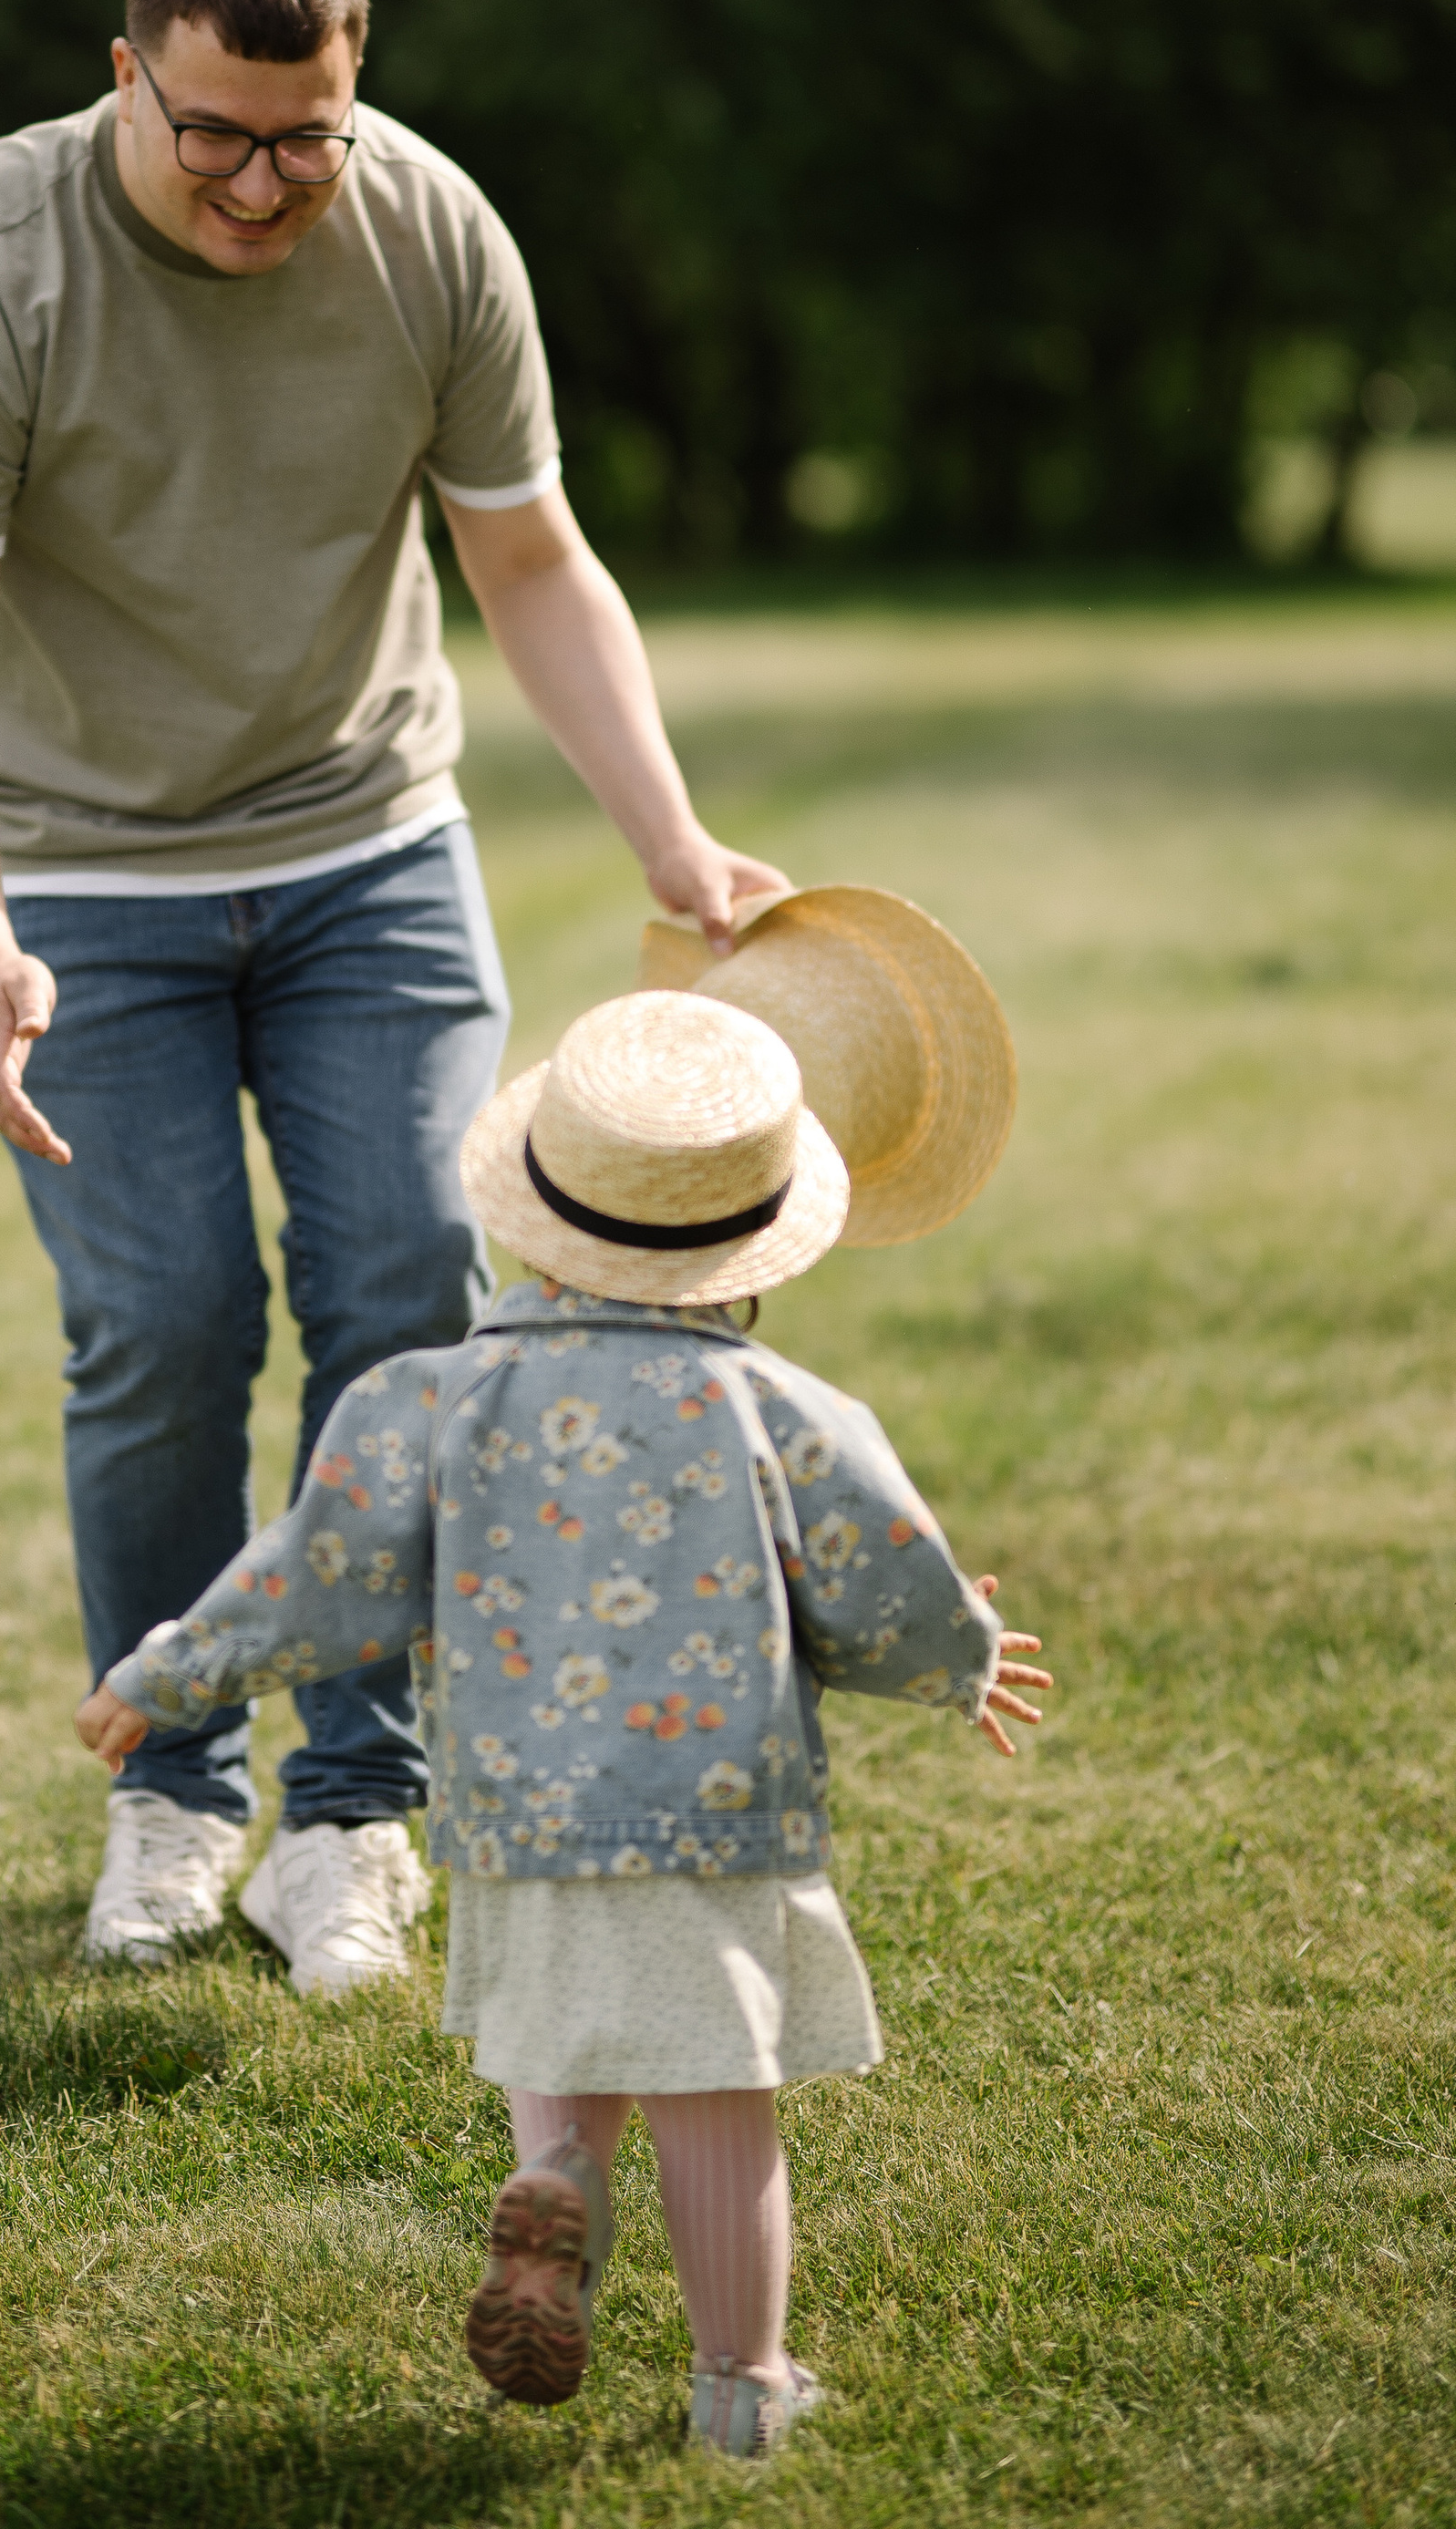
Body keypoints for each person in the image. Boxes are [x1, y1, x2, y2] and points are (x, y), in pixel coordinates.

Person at [0, 0, 787, 1987]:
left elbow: (529, 560)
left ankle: (354, 1814)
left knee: (406, 1292)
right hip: (89, 867)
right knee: (163, 1323)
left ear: (356, 86)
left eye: (308, 134)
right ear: (126, 75)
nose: (265, 183)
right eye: (213, 133)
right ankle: (171, 1786)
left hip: (369, 839)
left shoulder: (429, 231)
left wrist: (669, 836)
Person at [75, 981, 1051, 2457]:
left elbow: (311, 1580)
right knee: (720, 2107)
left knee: (564, 2043)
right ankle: (747, 2393)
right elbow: (878, 1579)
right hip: (717, 1816)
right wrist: (960, 1657)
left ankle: (565, 2194)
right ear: (756, 1244)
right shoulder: (783, 1410)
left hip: (518, 1816)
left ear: (531, 1215)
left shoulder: (426, 1400)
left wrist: (165, 1678)